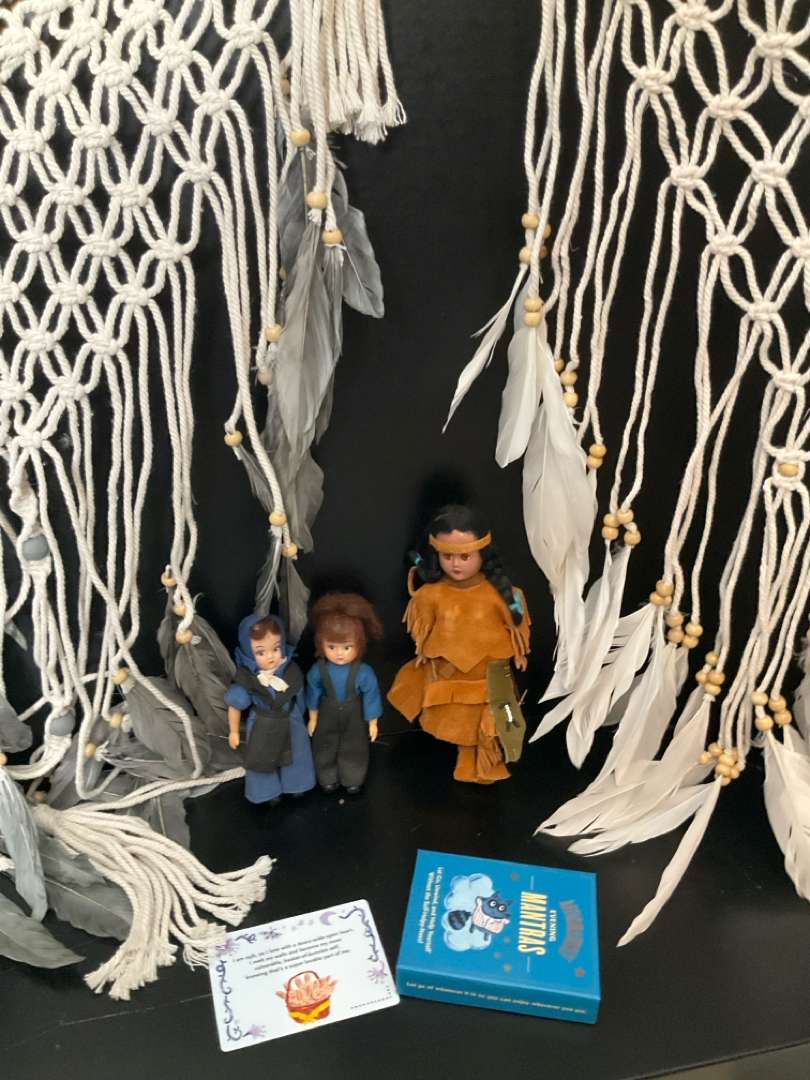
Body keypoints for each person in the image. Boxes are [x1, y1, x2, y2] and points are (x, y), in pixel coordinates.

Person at [388, 505, 530, 784]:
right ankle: (467, 760)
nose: (455, 564)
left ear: (482, 553)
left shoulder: (502, 594)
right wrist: (424, 651)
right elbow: (423, 629)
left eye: (465, 556)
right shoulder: (430, 595)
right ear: (436, 554)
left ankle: (488, 762)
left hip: (489, 674)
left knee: (491, 721)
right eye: (447, 556)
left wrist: (519, 653)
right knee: (462, 722)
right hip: (450, 674)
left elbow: (516, 629)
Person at [225, 613, 315, 806]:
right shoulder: (248, 679)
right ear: (249, 653)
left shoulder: (291, 671)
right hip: (262, 722)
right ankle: (267, 791)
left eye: (275, 648)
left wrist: (303, 716)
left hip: (291, 719)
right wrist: (233, 731)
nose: (270, 656)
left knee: (297, 752)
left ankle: (297, 784)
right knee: (262, 759)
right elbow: (236, 704)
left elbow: (300, 695)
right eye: (261, 652)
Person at [306, 593, 383, 794]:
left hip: (354, 715)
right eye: (332, 647)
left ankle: (353, 778)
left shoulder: (363, 672)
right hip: (327, 713)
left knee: (355, 746)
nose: (339, 653)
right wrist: (312, 718)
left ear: (359, 644)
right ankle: (327, 777)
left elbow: (371, 696)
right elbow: (313, 693)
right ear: (321, 644)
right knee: (324, 745)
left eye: (347, 647)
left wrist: (372, 723)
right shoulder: (318, 670)